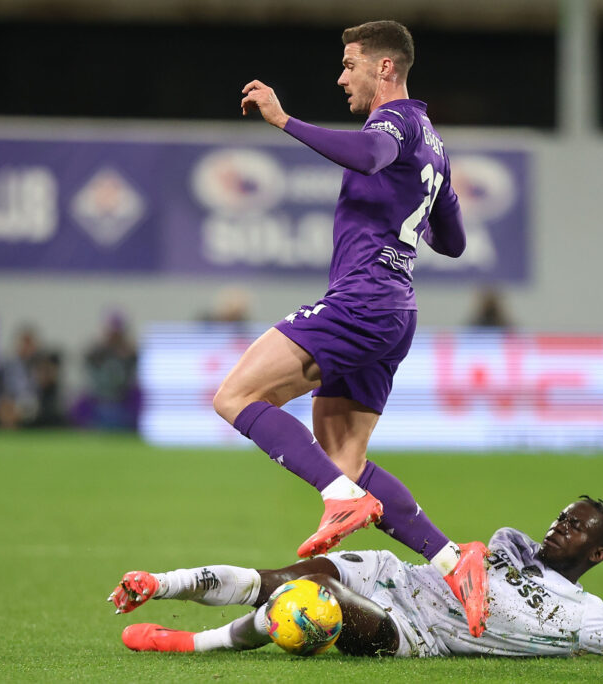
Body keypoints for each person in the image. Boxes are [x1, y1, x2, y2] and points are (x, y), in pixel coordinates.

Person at [213, 20, 487, 635]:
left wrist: (283, 120)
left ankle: (341, 500)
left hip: (361, 300)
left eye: (350, 64)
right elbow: (455, 240)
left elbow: (368, 155)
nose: (342, 77)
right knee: (344, 456)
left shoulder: (391, 123)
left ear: (384, 69)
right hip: (397, 309)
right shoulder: (433, 141)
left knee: (235, 396)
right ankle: (453, 559)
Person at [109, 496, 603, 664]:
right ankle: (162, 580)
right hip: (399, 577)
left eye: (577, 530)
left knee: (316, 608)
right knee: (288, 574)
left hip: (415, 633)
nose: (560, 529)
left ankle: (192, 645)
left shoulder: (587, 618)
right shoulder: (504, 543)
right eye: (563, 517)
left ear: (596, 554)